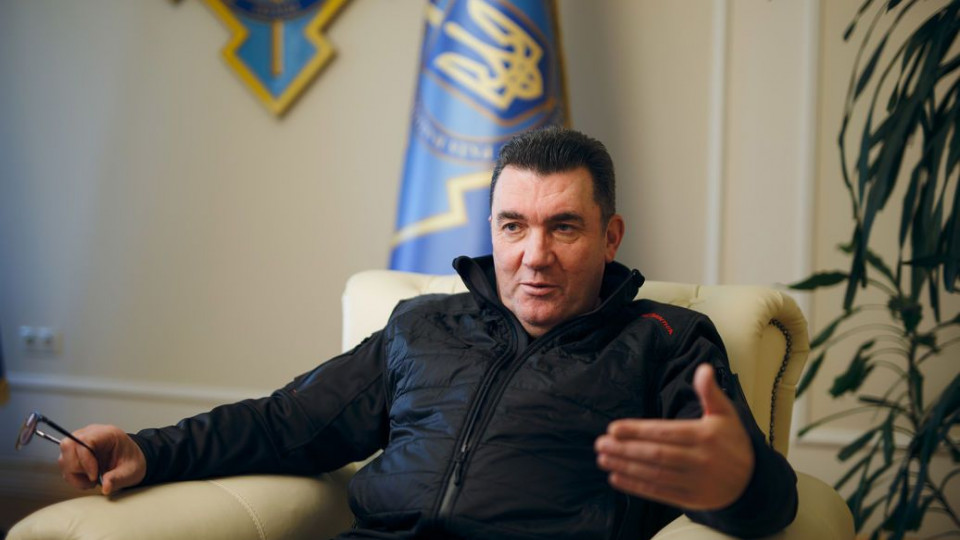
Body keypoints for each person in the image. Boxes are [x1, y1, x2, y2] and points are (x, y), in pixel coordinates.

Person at [57, 128, 798, 539]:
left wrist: (740, 481)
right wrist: (149, 451)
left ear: (611, 237)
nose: (534, 255)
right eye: (514, 226)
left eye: (564, 227)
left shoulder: (666, 340)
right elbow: (287, 424)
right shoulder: (425, 323)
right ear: (492, 230)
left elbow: (761, 498)